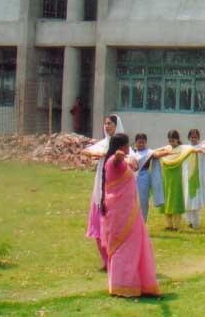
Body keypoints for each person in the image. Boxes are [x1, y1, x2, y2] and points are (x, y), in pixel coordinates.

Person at [99, 133, 160, 297]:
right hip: (120, 214)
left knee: (134, 247)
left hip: (131, 212)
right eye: (127, 145)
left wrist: (128, 159)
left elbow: (130, 163)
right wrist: (122, 155)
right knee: (122, 248)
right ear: (122, 146)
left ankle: (136, 283)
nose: (129, 148)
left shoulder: (122, 162)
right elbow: (118, 158)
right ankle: (121, 285)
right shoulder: (113, 161)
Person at [83, 114, 124, 268]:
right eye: (105, 123)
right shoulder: (102, 145)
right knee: (99, 226)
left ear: (116, 126)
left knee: (113, 228)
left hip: (114, 190)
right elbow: (87, 151)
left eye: (110, 124)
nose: (107, 126)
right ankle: (106, 260)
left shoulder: (122, 146)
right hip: (100, 187)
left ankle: (115, 260)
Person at [153, 130, 205, 231]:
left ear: (177, 140)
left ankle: (176, 225)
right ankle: (169, 225)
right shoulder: (168, 148)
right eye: (170, 141)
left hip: (177, 178)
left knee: (175, 200)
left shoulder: (182, 148)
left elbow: (193, 150)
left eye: (173, 141)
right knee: (167, 200)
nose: (171, 143)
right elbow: (154, 152)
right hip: (167, 178)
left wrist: (201, 151)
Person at [131, 133, 164, 222]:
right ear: (135, 142)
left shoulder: (149, 152)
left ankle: (142, 221)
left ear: (146, 143)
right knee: (132, 200)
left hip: (144, 178)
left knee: (143, 200)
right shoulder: (132, 153)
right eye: (139, 142)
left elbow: (157, 155)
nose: (141, 144)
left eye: (143, 142)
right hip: (132, 178)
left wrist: (169, 151)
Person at [184, 128, 205, 228]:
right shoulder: (185, 148)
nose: (193, 139)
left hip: (197, 178)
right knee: (187, 199)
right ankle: (189, 221)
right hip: (187, 177)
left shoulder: (202, 147)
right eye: (192, 137)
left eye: (195, 137)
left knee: (195, 201)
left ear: (198, 137)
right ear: (189, 137)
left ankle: (196, 223)